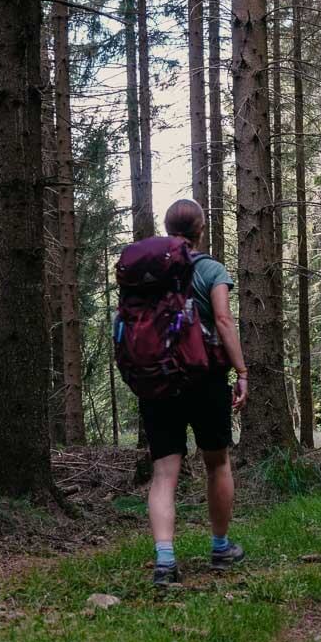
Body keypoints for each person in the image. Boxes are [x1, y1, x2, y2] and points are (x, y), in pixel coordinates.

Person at [142, 199, 249, 586]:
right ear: (200, 229)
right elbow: (223, 319)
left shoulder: (148, 269)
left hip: (158, 380)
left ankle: (165, 561)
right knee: (216, 462)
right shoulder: (211, 269)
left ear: (167, 228)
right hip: (205, 378)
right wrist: (242, 371)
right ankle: (220, 548)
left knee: (163, 472)